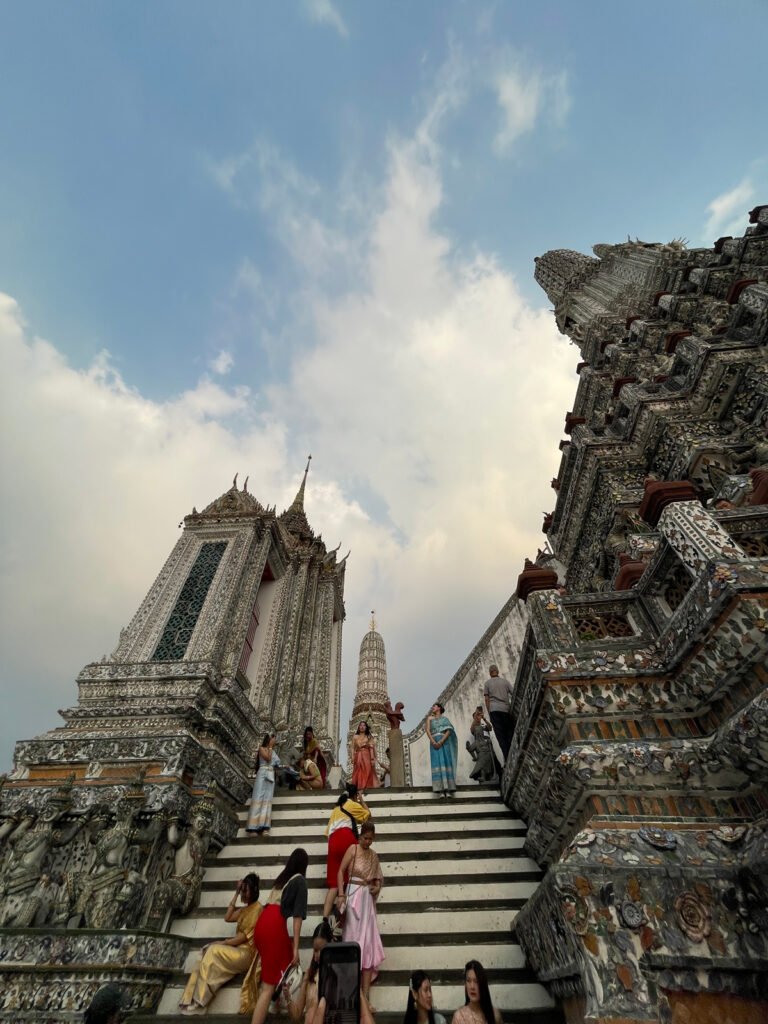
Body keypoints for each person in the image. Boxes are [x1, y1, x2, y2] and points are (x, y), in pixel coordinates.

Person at [179, 873, 262, 1015]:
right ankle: (191, 998)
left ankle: (201, 1001)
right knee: (206, 950)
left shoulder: (257, 908)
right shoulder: (244, 910)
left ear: (254, 891)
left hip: (247, 954)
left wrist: (223, 942)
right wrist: (236, 893)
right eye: (243, 891)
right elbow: (227, 917)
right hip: (237, 949)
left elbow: (243, 938)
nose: (244, 894)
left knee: (213, 950)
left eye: (245, 891)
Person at [250, 849, 309, 1024]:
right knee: (268, 986)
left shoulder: (281, 879)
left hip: (262, 923)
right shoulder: (300, 882)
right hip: (274, 925)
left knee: (283, 962)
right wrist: (296, 949)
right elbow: (298, 918)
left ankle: (277, 1005)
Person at [336, 821, 384, 1004]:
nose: (367, 842)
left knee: (367, 945)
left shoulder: (374, 855)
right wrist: (340, 894)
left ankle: (364, 997)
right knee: (351, 939)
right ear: (360, 835)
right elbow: (340, 872)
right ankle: (348, 994)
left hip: (366, 901)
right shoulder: (353, 849)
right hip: (352, 896)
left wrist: (376, 887)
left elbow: (378, 878)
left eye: (371, 839)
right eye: (365, 838)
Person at [322, 783, 371, 919]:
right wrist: (362, 800)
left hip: (332, 841)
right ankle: (346, 917)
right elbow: (367, 815)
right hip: (346, 838)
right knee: (349, 878)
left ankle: (325, 920)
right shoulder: (352, 804)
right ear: (354, 795)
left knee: (333, 885)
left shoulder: (336, 808)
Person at [286, 920, 333, 1023]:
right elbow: (297, 1015)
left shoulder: (336, 976)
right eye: (316, 950)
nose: (318, 955)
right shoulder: (309, 974)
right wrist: (287, 996)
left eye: (322, 950)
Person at [247, 734, 281, 834]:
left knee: (267, 799)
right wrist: (270, 747)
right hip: (262, 775)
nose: (274, 742)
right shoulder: (262, 749)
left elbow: (277, 763)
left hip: (270, 775)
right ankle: (253, 826)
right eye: (273, 740)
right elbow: (268, 758)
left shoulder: (273, 752)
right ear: (269, 740)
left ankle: (264, 826)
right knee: (258, 798)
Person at [483, 665, 515, 763]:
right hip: (505, 709)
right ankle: (513, 753)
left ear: (490, 672)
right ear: (498, 671)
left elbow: (487, 699)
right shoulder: (505, 682)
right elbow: (513, 693)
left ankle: (507, 758)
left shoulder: (487, 683)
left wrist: (489, 713)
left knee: (500, 736)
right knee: (509, 732)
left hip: (494, 710)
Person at [426, 703, 458, 797]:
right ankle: (440, 790)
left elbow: (449, 730)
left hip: (444, 742)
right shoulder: (429, 719)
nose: (432, 708)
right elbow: (427, 730)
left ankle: (448, 789)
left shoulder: (445, 719)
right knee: (437, 764)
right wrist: (433, 742)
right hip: (434, 742)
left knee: (446, 762)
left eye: (434, 706)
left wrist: (441, 741)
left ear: (439, 708)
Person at [467, 708, 500, 786]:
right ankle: (484, 777)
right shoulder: (475, 726)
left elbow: (490, 728)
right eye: (477, 715)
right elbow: (472, 730)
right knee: (482, 762)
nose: (479, 716)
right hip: (481, 746)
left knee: (492, 759)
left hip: (488, 742)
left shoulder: (484, 725)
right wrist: (476, 717)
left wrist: (484, 719)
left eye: (479, 715)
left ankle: (494, 774)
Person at [350, 722, 381, 790]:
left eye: (364, 725)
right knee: (358, 770)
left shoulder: (369, 736)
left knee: (367, 770)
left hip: (367, 755)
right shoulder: (355, 737)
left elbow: (372, 747)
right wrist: (352, 757)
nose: (362, 727)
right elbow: (352, 747)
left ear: (366, 727)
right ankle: (358, 787)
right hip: (358, 755)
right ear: (358, 727)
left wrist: (373, 759)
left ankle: (366, 787)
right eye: (360, 725)